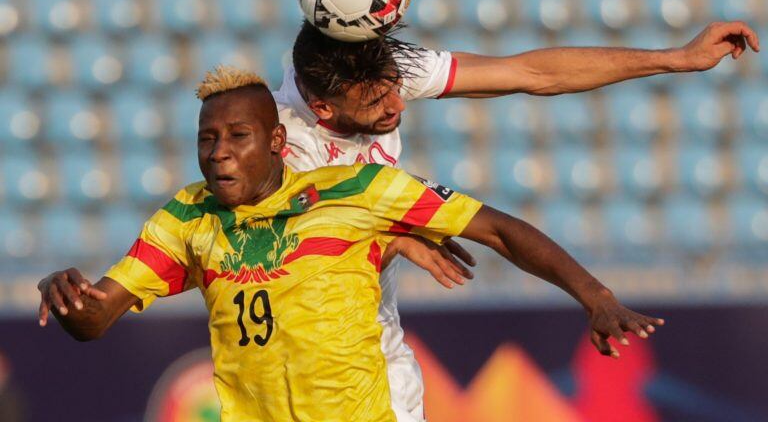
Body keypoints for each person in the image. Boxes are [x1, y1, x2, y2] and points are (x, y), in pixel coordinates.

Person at [38, 69, 664, 422]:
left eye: (237, 136)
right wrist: (62, 292)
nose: (219, 152)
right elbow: (95, 319)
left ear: (279, 143)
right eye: (207, 139)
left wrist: (595, 294)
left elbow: (496, 228)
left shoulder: (358, 191)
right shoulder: (187, 217)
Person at [275, 18, 760, 420]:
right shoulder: (278, 149)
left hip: (377, 365)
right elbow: (271, 254)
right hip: (293, 373)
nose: (399, 104)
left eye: (397, 87)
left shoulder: (368, 71)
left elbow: (532, 72)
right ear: (321, 108)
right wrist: (391, 238)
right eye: (378, 102)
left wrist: (675, 58)